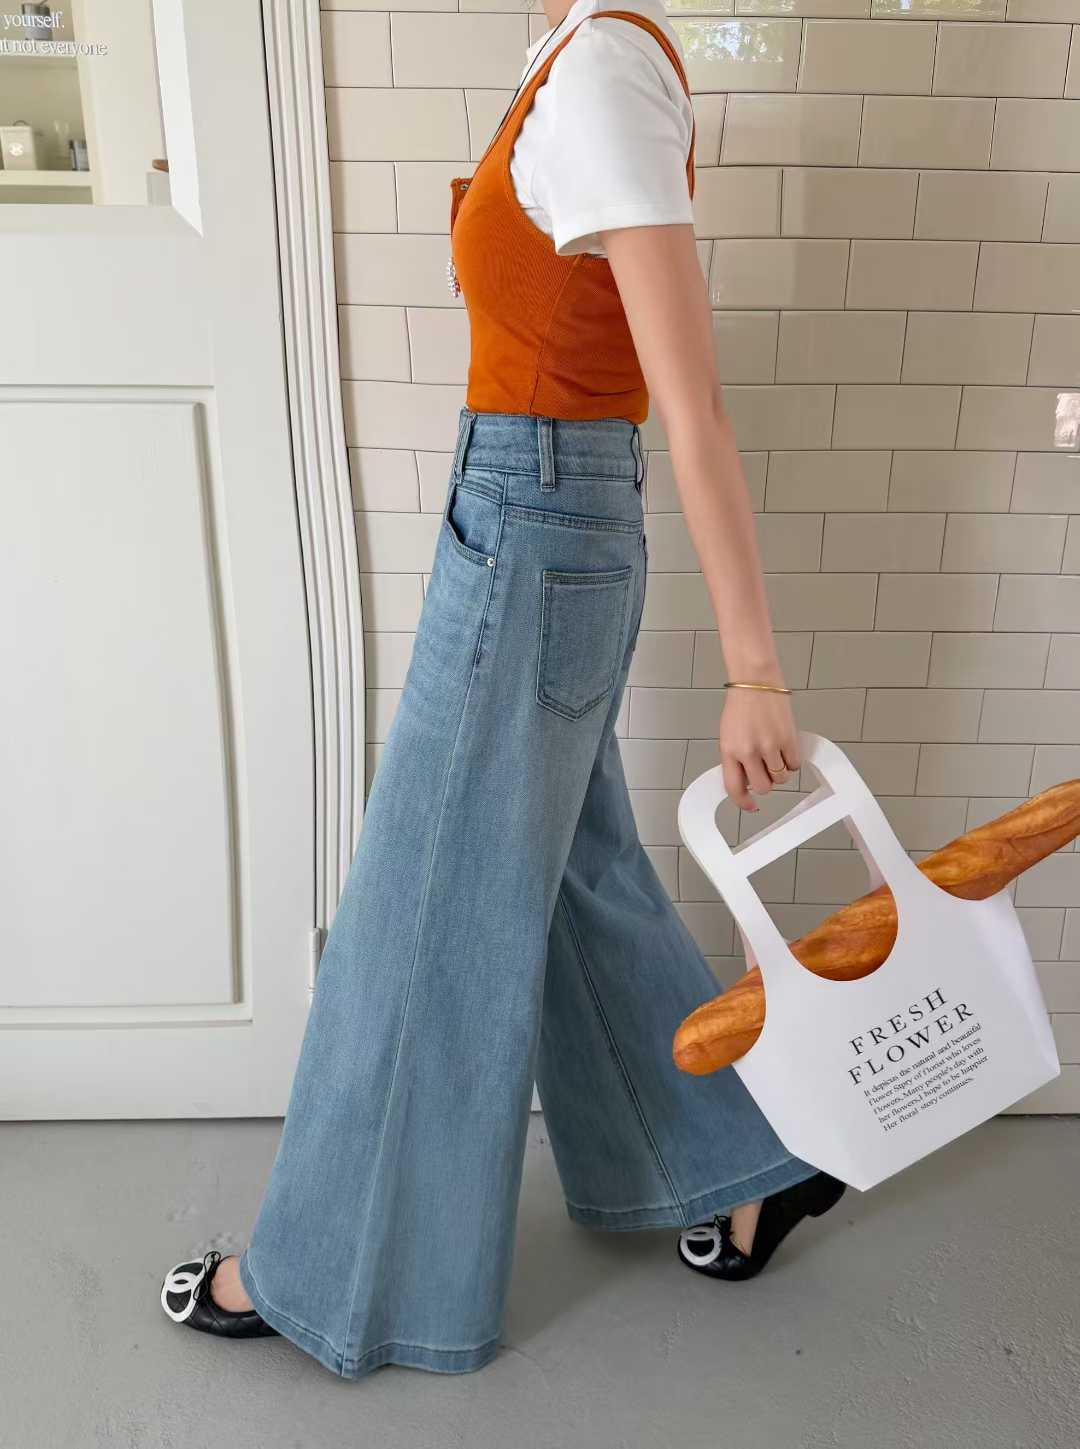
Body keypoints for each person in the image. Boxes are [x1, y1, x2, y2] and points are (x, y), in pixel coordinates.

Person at [159, 0, 845, 1376]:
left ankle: (329, 1275)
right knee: (577, 875)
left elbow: (692, 404)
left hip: (539, 522)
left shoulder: (603, 72)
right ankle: (743, 1162)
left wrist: (755, 666)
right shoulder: (566, 52)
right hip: (524, 507)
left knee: (423, 909)